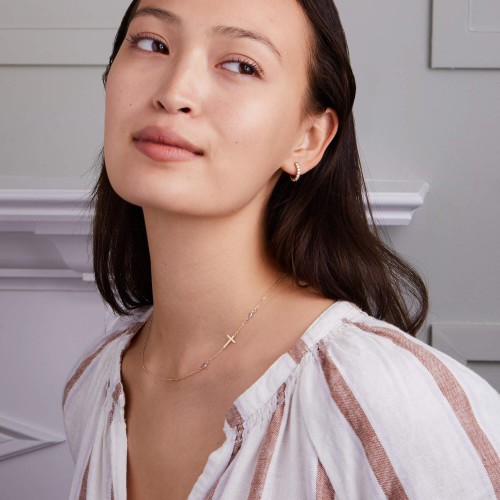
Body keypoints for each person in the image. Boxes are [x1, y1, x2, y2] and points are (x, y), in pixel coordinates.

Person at [62, 0, 500, 498]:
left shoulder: (381, 395)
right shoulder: (94, 385)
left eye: (240, 65)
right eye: (151, 43)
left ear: (308, 139)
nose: (174, 92)